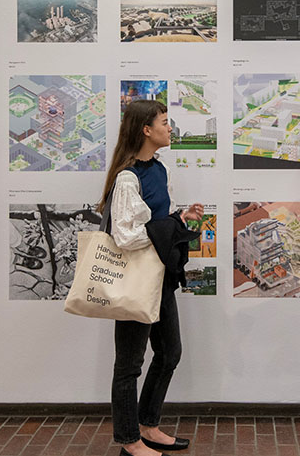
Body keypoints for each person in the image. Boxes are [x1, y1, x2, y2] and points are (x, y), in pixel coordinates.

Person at [98, 99, 204, 456]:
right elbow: (124, 236)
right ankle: (129, 441)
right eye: (164, 122)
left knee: (169, 353)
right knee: (129, 365)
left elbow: (155, 220)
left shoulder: (158, 170)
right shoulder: (128, 177)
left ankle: (148, 426)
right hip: (135, 278)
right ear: (146, 129)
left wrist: (179, 216)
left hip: (158, 276)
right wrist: (169, 226)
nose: (170, 128)